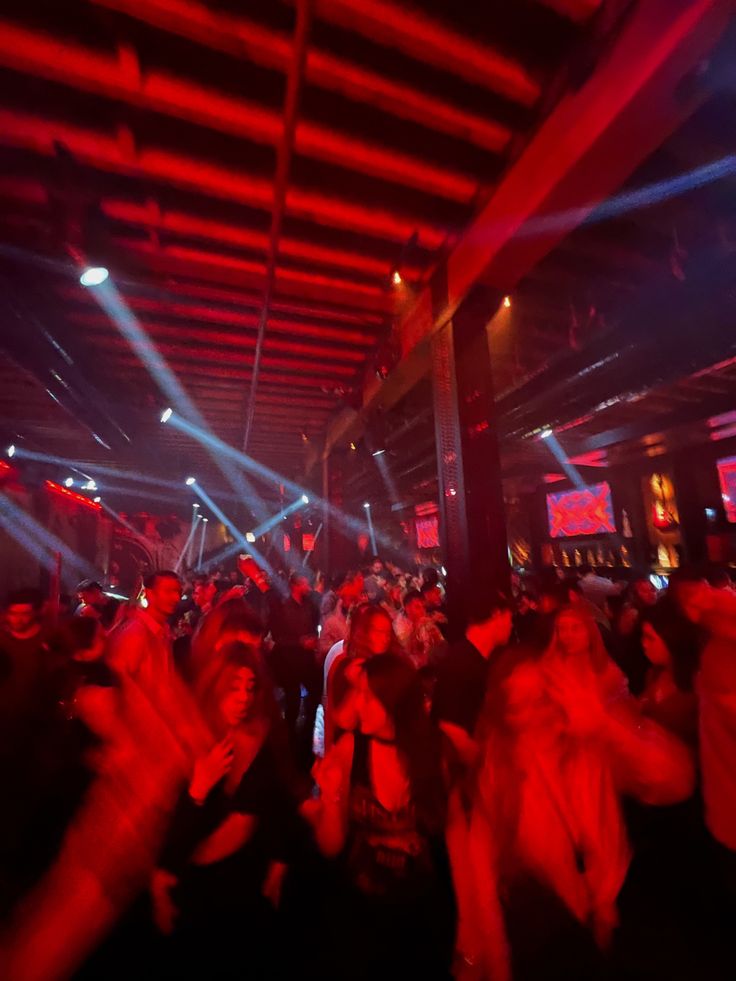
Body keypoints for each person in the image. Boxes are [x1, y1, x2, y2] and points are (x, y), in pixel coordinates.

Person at [464, 605, 694, 981]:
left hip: (614, 904)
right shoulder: (498, 773)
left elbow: (676, 779)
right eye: (516, 705)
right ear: (503, 713)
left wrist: (606, 726)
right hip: (549, 931)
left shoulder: (589, 745)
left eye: (538, 699)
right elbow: (482, 886)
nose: (530, 714)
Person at [152, 642, 299, 979]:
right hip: (197, 888)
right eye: (234, 687)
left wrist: (279, 864)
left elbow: (276, 805)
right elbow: (167, 836)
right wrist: (198, 791)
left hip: (248, 882)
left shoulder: (260, 736)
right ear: (216, 685)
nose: (244, 697)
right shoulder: (190, 738)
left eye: (250, 687)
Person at [310, 654, 457, 981]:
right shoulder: (351, 748)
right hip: (362, 914)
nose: (357, 706)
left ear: (394, 701)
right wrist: (331, 796)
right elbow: (330, 846)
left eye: (365, 695)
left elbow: (457, 845)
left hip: (423, 919)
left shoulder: (435, 752)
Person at [432, 590, 513, 762]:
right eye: (509, 618)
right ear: (496, 614)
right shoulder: (460, 663)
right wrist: (483, 766)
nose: (511, 625)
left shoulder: (485, 660)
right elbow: (451, 727)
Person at [269, 572, 321, 763]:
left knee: (313, 697)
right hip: (290, 661)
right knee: (292, 702)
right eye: (305, 583)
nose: (308, 586)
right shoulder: (283, 608)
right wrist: (299, 642)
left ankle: (306, 736)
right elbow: (278, 638)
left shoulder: (310, 606)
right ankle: (289, 741)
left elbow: (315, 625)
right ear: (295, 585)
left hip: (307, 660)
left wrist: (312, 640)